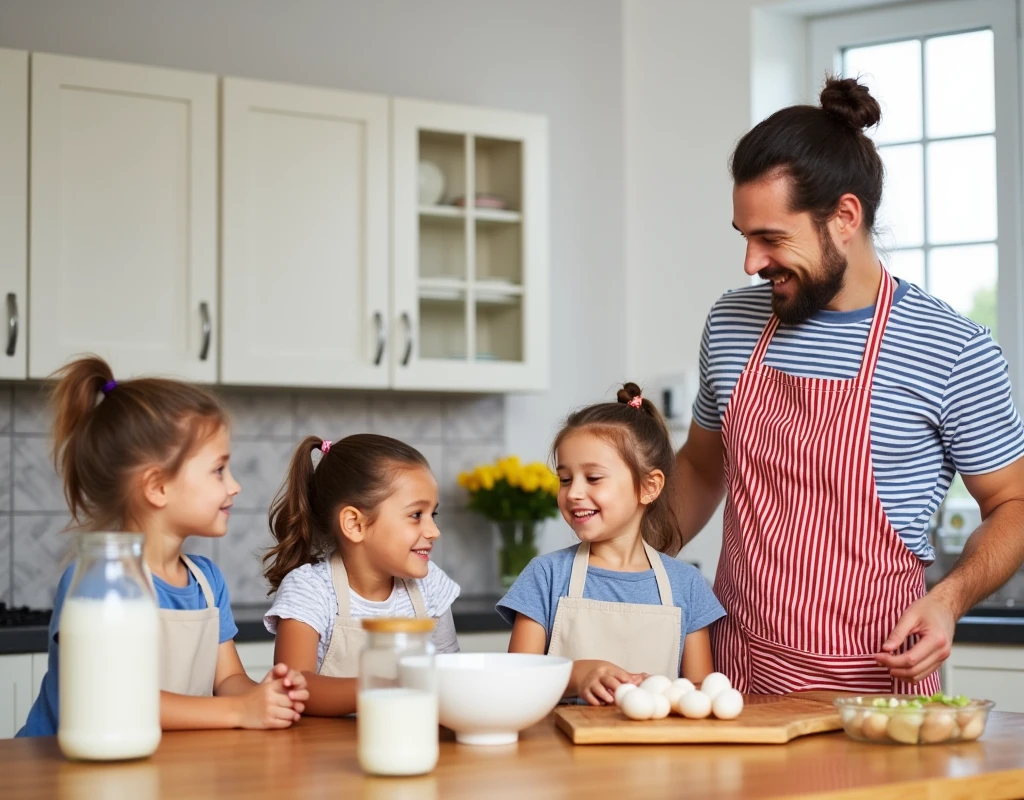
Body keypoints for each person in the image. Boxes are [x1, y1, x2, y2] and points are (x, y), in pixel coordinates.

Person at [670, 76, 1024, 693]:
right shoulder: (732, 321)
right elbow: (702, 468)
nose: (751, 263)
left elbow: (1012, 505)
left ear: (845, 217)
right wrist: (618, 562)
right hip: (735, 680)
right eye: (745, 236)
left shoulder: (952, 349)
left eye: (771, 238)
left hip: (877, 689)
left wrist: (949, 600)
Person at [18, 356, 308, 736]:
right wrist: (239, 711)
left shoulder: (206, 581)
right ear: (157, 487)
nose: (234, 485)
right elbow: (113, 700)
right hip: (57, 776)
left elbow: (229, 680)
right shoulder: (98, 580)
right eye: (219, 470)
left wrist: (266, 697)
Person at [498, 383, 725, 705]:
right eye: (565, 479)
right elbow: (514, 681)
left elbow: (700, 695)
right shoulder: (546, 576)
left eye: (592, 478)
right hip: (558, 749)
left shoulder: (687, 586)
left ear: (649, 487)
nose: (573, 492)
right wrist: (580, 675)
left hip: (659, 752)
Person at [263, 434, 460, 716]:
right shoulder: (310, 590)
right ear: (355, 524)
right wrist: (391, 686)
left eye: (433, 515)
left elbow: (449, 674)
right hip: (320, 753)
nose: (433, 531)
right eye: (417, 514)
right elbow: (294, 686)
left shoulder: (431, 585)